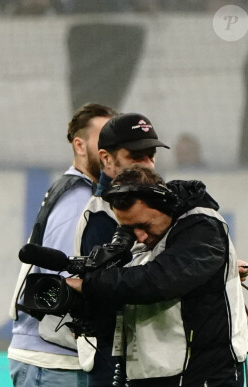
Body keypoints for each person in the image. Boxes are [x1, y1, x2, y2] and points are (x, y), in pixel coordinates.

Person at [66, 165, 248, 386]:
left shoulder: (203, 225)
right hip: (153, 374)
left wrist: (89, 285)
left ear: (165, 204)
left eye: (144, 225)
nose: (140, 236)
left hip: (206, 375)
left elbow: (158, 281)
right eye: (128, 229)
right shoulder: (144, 239)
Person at [8, 103, 117, 387]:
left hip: (51, 358)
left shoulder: (79, 191)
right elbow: (62, 280)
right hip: (55, 360)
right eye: (103, 139)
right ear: (80, 146)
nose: (112, 149)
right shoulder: (80, 199)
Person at [72, 112, 169, 385]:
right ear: (106, 159)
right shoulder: (101, 217)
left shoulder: (153, 203)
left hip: (146, 354)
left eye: (151, 154)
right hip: (112, 356)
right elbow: (111, 293)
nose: (148, 164)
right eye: (136, 157)